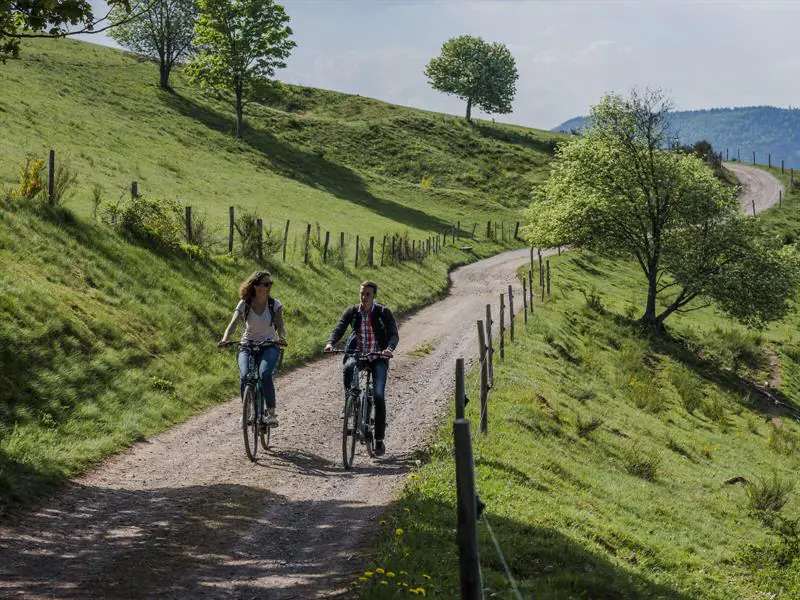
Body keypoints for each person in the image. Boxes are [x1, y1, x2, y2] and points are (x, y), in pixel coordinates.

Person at [324, 280, 399, 456]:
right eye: (362, 293)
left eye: (367, 294)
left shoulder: (382, 312)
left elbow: (394, 334)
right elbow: (340, 327)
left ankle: (379, 440)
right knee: (349, 366)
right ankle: (350, 401)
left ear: (374, 296)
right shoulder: (353, 312)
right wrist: (330, 343)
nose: (364, 297)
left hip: (379, 356)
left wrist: (389, 349)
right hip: (358, 353)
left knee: (378, 395)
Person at [218, 270, 287, 427]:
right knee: (245, 376)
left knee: (264, 374)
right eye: (266, 284)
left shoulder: (274, 304)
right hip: (247, 345)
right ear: (256, 286)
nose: (269, 287)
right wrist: (225, 339)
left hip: (269, 345)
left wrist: (282, 338)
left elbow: (281, 326)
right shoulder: (244, 304)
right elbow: (233, 323)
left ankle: (271, 414)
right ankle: (247, 411)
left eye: (270, 284)